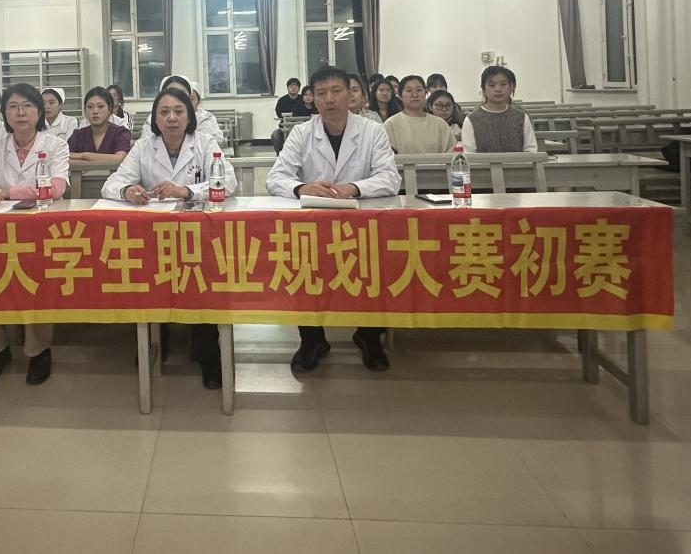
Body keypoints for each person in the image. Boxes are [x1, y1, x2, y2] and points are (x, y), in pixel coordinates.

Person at [267, 67, 401, 374]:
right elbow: (276, 177)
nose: (329, 99)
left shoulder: (372, 131)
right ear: (313, 98)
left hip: (362, 225)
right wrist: (301, 188)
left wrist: (353, 187)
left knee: (373, 272)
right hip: (312, 225)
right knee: (302, 273)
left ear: (350, 94)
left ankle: (369, 337)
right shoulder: (302, 133)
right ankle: (312, 340)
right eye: (322, 93)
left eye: (336, 91)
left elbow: (390, 178)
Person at [102, 86, 235, 389]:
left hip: (198, 236)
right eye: (164, 112)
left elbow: (228, 182)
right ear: (155, 118)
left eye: (178, 111)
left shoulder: (204, 142)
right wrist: (127, 190)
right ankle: (155, 340)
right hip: (155, 238)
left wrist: (186, 190)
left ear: (189, 116)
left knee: (202, 285)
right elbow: (112, 183)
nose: (171, 118)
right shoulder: (143, 147)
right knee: (150, 282)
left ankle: (207, 352)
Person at [0, 83, 69, 386]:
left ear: (39, 111)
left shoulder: (56, 145)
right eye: (13, 107)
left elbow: (55, 188)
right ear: (4, 113)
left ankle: (38, 350)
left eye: (27, 106)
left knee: (36, 280)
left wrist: (7, 191)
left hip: (40, 230)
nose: (20, 112)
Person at [461, 66, 538, 153]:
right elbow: (469, 154)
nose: (498, 89)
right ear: (483, 88)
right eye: (492, 85)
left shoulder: (522, 117)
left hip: (519, 162)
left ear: (511, 87)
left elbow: (531, 150)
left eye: (503, 84)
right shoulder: (471, 120)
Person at [141, 75, 223, 143]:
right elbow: (146, 144)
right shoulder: (154, 118)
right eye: (171, 92)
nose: (176, 96)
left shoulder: (204, 118)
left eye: (182, 93)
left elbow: (211, 144)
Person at [385, 75, 455, 153]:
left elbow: (452, 153)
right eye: (409, 91)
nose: (415, 95)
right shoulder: (391, 124)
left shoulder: (440, 124)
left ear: (426, 93)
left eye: (419, 90)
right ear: (400, 96)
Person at [67, 87, 132, 161]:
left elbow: (119, 158)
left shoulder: (121, 133)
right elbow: (64, 156)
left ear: (110, 109)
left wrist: (84, 155)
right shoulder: (78, 135)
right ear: (85, 111)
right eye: (90, 107)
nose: (95, 111)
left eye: (100, 106)